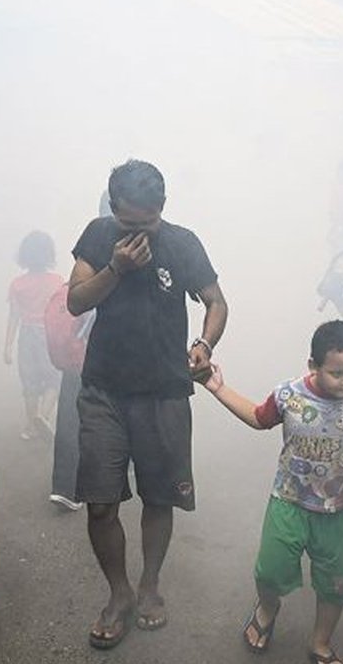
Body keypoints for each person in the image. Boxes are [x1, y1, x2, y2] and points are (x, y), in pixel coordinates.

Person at [67, 159, 228, 649]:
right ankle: (119, 594)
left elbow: (216, 302)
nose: (140, 233)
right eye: (130, 223)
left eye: (149, 223)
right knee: (100, 503)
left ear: (163, 208)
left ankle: (150, 584)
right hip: (104, 391)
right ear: (114, 208)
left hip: (163, 391)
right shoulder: (98, 235)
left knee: (159, 497)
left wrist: (204, 345)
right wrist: (117, 267)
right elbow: (75, 301)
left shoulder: (182, 243)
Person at [200, 320, 343, 664]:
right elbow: (258, 418)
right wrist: (217, 387)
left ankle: (320, 642)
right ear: (313, 365)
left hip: (338, 509)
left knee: (336, 584)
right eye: (337, 372)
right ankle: (268, 608)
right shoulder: (289, 395)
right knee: (270, 571)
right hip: (288, 500)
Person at [4, 230, 64, 441]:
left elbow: (14, 317)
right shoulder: (58, 282)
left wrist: (8, 346)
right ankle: (43, 418)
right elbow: (63, 313)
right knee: (53, 380)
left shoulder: (17, 284)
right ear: (49, 255)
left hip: (27, 336)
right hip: (50, 335)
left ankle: (31, 426)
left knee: (30, 382)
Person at [43, 280, 92, 511]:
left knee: (69, 423)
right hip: (100, 367)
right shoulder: (108, 284)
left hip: (73, 366)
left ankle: (64, 489)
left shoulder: (71, 287)